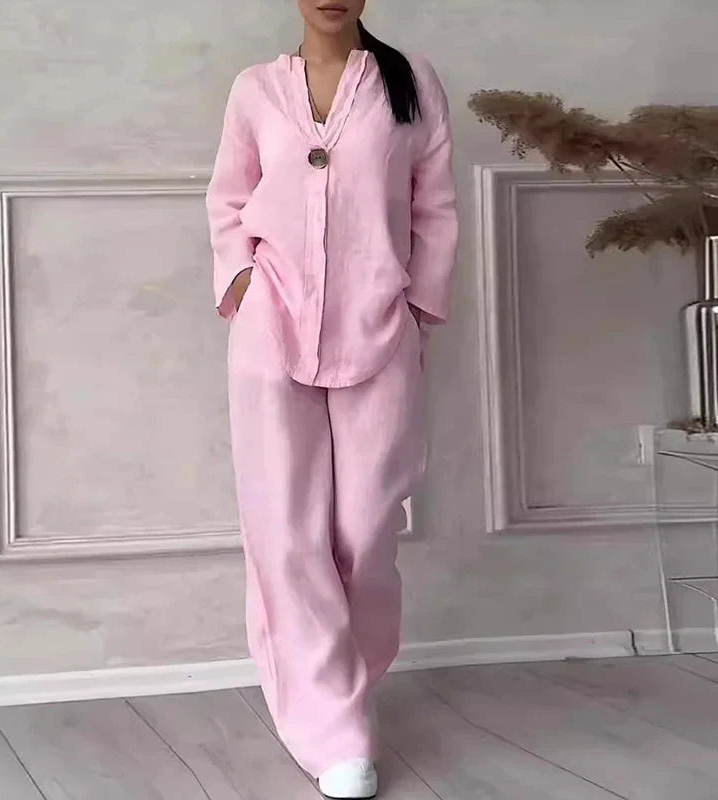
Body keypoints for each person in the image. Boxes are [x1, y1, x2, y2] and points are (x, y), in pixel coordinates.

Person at [205, 1, 457, 796]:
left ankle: (345, 686)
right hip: (271, 327)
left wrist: (418, 307)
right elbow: (227, 200)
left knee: (365, 529)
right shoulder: (255, 89)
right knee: (285, 531)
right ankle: (334, 730)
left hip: (379, 325)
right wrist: (240, 283)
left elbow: (435, 203)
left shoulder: (410, 83)